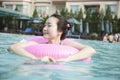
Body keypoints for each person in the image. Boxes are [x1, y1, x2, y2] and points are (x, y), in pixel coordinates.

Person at [8, 14, 96, 62]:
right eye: (45, 25)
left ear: (59, 31)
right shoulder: (38, 42)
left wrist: (65, 59)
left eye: (49, 25)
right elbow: (13, 47)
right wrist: (35, 58)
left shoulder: (66, 44)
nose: (44, 28)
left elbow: (91, 50)